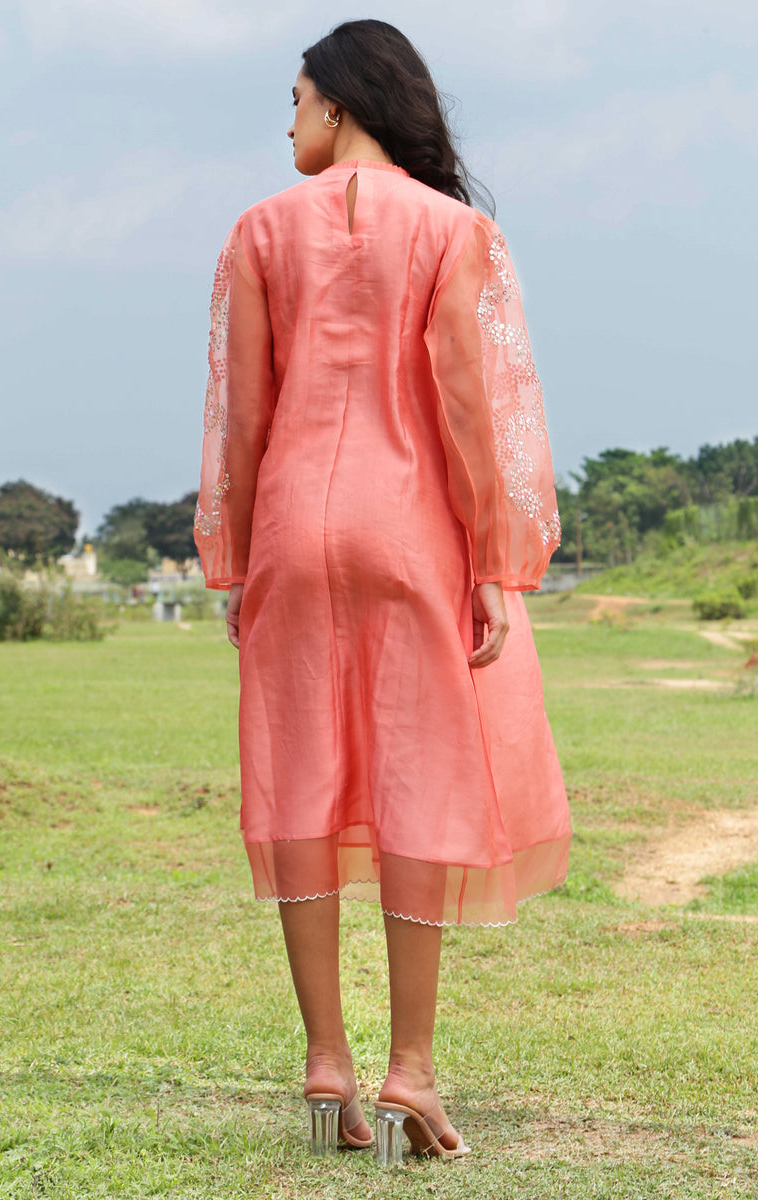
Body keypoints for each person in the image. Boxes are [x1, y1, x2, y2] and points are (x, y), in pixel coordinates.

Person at [194, 19, 571, 1165]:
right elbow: (477, 409)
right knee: (418, 787)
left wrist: (236, 559)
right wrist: (498, 563)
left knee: (298, 779)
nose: (289, 117)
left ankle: (325, 1062)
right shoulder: (455, 232)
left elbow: (240, 416)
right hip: (410, 537)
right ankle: (408, 1067)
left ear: (343, 103)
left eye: (298, 96)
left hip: (294, 531)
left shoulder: (257, 231)